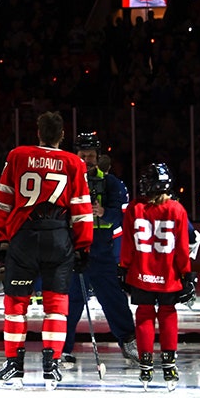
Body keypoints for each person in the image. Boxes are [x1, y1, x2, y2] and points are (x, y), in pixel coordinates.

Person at [0, 111, 92, 390]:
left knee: (15, 304)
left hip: (24, 238)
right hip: (59, 238)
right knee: (57, 304)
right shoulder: (74, 162)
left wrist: (1, 238)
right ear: (61, 136)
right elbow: (82, 208)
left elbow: (2, 200)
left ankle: (14, 364)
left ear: (38, 132)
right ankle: (52, 365)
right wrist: (83, 246)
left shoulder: (18, 155)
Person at [62, 137, 137, 366]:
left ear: (98, 156)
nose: (87, 160)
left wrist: (103, 212)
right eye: (83, 156)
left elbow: (121, 217)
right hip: (73, 248)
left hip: (101, 249)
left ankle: (128, 341)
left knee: (113, 298)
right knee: (71, 300)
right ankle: (62, 349)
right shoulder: (67, 181)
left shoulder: (112, 183)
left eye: (91, 155)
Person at [119, 163, 194, 390]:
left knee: (144, 315)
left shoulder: (134, 208)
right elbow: (182, 248)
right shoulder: (177, 209)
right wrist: (187, 275)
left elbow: (128, 244)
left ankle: (145, 365)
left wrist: (123, 268)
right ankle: (169, 365)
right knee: (168, 314)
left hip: (141, 274)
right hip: (168, 275)